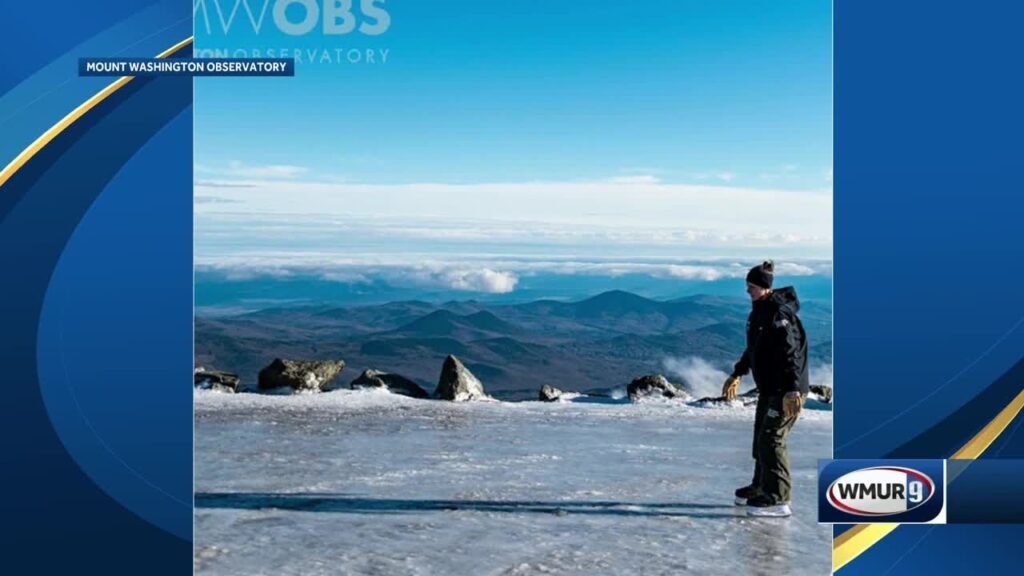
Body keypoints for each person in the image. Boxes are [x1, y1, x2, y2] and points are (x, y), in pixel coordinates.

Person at [721, 260, 809, 517]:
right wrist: (738, 372)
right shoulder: (759, 311)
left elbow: (791, 352)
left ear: (764, 287)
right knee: (761, 436)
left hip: (786, 389)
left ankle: (779, 498)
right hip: (770, 388)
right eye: (747, 285)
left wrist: (793, 389)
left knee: (772, 439)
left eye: (751, 286)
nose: (747, 290)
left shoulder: (779, 314)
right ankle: (762, 486)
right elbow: (755, 347)